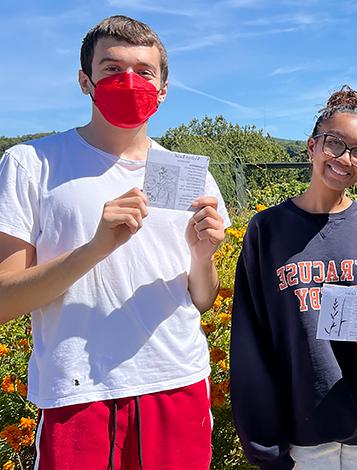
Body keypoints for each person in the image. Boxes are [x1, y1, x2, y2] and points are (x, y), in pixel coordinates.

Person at [0, 15, 228, 469]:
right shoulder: (32, 164)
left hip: (178, 382)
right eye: (111, 69)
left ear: (163, 88)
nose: (129, 81)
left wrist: (203, 257)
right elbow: (5, 299)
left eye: (144, 72)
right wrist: (94, 249)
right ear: (85, 81)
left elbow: (201, 299)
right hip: (79, 391)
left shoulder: (192, 175)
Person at [230, 86, 357, 470]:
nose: (344, 159)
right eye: (334, 144)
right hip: (302, 433)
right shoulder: (267, 231)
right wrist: (264, 443)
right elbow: (250, 339)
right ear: (311, 147)